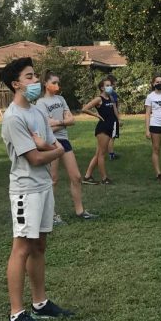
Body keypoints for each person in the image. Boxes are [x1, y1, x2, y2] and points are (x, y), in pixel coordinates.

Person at [0, 57, 74, 321]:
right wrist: (51, 150)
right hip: (25, 191)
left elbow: (50, 145)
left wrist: (48, 148)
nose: (35, 82)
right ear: (16, 84)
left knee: (40, 245)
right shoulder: (14, 118)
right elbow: (35, 157)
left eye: (35, 76)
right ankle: (16, 316)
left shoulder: (38, 112)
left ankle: (40, 303)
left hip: (43, 187)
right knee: (22, 248)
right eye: (29, 77)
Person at [36, 71, 98, 222]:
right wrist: (63, 122)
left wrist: (58, 122)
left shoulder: (61, 99)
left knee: (76, 177)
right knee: (53, 179)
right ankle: (50, 214)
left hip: (64, 140)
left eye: (58, 82)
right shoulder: (40, 103)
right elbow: (46, 128)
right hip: (51, 142)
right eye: (54, 83)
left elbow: (72, 120)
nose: (57, 85)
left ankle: (80, 211)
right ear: (46, 84)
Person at [81, 76, 119, 185]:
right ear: (102, 88)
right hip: (103, 128)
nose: (110, 87)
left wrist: (118, 120)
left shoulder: (111, 98)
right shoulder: (99, 99)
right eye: (107, 85)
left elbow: (114, 110)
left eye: (110, 85)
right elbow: (84, 109)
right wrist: (96, 115)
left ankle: (87, 176)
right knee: (102, 154)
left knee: (98, 154)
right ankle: (104, 178)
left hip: (110, 126)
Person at [105, 74, 120, 161]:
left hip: (106, 118)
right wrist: (119, 119)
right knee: (112, 137)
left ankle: (109, 152)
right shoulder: (112, 93)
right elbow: (115, 107)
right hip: (113, 118)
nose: (115, 86)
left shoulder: (104, 94)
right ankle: (111, 154)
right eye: (114, 84)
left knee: (108, 136)